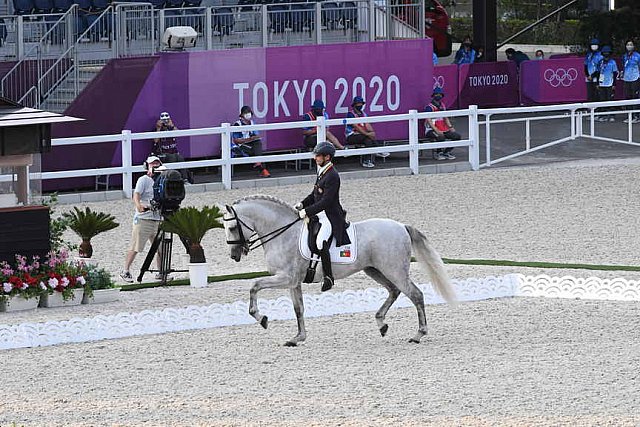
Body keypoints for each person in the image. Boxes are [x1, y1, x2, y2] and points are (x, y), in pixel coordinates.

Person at [295, 141, 350, 292]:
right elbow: (314, 194)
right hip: (319, 214)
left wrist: (307, 212)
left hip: (329, 216)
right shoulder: (322, 171)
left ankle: (329, 277)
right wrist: (302, 204)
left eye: (318, 156)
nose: (315, 158)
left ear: (327, 157)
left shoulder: (332, 175)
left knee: (321, 243)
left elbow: (326, 201)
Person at [120, 155, 165, 283]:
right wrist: (138, 205)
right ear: (147, 166)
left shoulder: (162, 180)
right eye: (152, 164)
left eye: (157, 163)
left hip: (157, 219)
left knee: (161, 249)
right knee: (136, 247)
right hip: (143, 219)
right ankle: (126, 271)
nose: (155, 166)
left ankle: (160, 272)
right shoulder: (143, 180)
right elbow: (136, 194)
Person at [344, 96, 390, 168]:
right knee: (367, 137)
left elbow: (368, 125)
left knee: (368, 140)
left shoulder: (364, 114)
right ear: (354, 104)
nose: (360, 105)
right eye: (358, 103)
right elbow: (356, 127)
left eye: (361, 103)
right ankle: (378, 150)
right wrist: (367, 134)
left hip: (362, 136)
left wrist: (372, 132)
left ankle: (367, 161)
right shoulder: (350, 114)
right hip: (351, 136)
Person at [152, 112, 194, 184]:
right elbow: (155, 141)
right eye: (164, 120)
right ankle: (172, 179)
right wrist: (158, 128)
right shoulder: (157, 129)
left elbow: (179, 133)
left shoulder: (171, 128)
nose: (165, 122)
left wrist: (171, 125)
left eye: (167, 120)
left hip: (174, 152)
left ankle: (185, 179)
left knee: (180, 157)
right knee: (172, 158)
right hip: (162, 154)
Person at [231, 106, 271, 178]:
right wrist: (248, 139)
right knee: (256, 151)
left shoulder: (252, 123)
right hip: (241, 145)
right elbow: (236, 140)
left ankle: (259, 165)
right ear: (242, 114)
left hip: (251, 143)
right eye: (245, 113)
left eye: (249, 112)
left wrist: (254, 138)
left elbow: (256, 135)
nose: (248, 114)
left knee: (258, 142)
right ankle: (263, 169)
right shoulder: (237, 124)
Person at [424, 87, 461, 161]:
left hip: (443, 129)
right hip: (431, 130)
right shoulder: (429, 107)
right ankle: (439, 153)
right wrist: (436, 130)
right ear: (433, 95)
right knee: (441, 137)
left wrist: (450, 127)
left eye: (440, 94)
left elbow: (445, 118)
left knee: (457, 136)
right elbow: (429, 120)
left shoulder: (442, 106)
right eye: (437, 94)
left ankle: (446, 152)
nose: (438, 96)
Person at [596, 45, 619, 122]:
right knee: (602, 100)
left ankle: (612, 115)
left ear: (610, 53)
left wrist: (614, 84)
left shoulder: (613, 62)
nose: (606, 54)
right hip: (601, 84)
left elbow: (615, 74)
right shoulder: (600, 62)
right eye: (604, 52)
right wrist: (597, 83)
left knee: (610, 100)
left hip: (609, 84)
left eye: (607, 52)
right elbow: (598, 73)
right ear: (602, 53)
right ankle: (603, 115)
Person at [621, 39, 640, 123]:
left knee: (635, 96)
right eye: (628, 44)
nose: (629, 46)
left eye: (631, 44)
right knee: (628, 96)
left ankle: (636, 116)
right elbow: (623, 66)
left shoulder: (638, 56)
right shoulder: (624, 56)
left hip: (635, 78)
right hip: (626, 78)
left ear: (634, 46)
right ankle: (629, 115)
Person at [584, 38, 603, 103]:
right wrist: (587, 75)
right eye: (592, 45)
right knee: (590, 95)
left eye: (595, 45)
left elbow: (600, 68)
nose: (594, 46)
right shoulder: (589, 55)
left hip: (597, 77)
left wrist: (592, 76)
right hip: (588, 78)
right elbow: (585, 65)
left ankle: (598, 109)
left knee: (597, 94)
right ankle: (590, 109)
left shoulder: (601, 55)